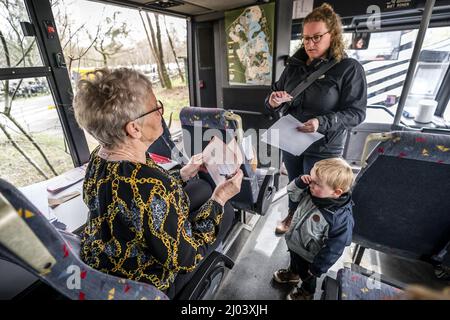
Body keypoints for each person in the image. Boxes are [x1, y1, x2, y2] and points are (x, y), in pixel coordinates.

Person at [73, 68, 243, 299]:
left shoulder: (99, 158)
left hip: (105, 261)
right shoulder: (155, 186)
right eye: (156, 108)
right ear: (134, 128)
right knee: (227, 212)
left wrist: (182, 174)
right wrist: (220, 199)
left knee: (202, 187)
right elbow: (185, 259)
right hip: (142, 284)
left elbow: (140, 198)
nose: (161, 113)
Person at [265, 3, 367, 234]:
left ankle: (309, 230)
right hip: (292, 139)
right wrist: (272, 101)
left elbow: (356, 113)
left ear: (333, 35)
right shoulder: (293, 66)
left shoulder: (348, 69)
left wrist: (322, 122)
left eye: (317, 37)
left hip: (324, 145)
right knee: (295, 184)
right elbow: (274, 94)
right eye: (306, 38)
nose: (310, 44)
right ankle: (292, 215)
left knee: (319, 191)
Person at [273, 158, 354, 300]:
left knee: (307, 276)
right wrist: (299, 182)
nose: (311, 183)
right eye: (311, 178)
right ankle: (293, 274)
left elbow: (334, 248)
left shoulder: (339, 219)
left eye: (316, 183)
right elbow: (293, 195)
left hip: (311, 257)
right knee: (294, 261)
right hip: (295, 243)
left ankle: (306, 292)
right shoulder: (312, 192)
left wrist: (317, 267)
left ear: (336, 192)